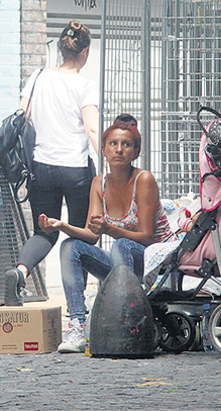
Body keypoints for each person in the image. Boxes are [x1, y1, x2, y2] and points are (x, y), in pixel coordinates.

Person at [38, 114, 175, 353]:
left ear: (135, 152)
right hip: (124, 265)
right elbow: (92, 235)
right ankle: (77, 326)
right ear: (103, 149)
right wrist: (61, 226)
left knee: (121, 245)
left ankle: (125, 322)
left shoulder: (144, 180)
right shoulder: (99, 183)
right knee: (70, 246)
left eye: (126, 145)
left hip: (156, 262)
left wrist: (110, 228)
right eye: (113, 144)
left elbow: (146, 236)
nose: (119, 150)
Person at [3, 21, 99, 307]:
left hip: (40, 168)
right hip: (77, 171)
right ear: (84, 54)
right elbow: (92, 129)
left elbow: (21, 117)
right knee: (84, 237)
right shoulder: (85, 86)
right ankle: (77, 303)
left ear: (60, 49)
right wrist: (109, 166)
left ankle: (20, 273)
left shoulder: (38, 77)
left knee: (44, 232)